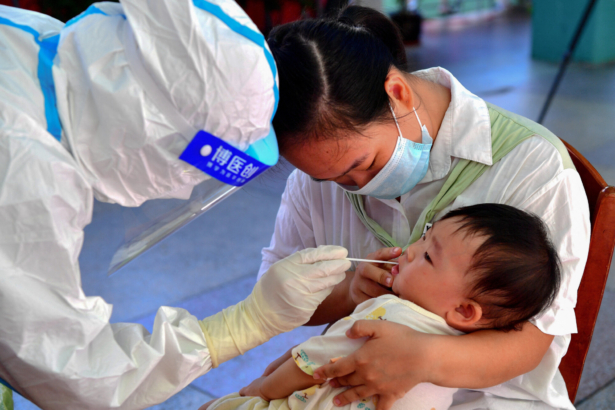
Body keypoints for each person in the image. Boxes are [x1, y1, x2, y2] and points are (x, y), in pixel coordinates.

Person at [0, 1, 352, 409]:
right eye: (191, 169)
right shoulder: (25, 177)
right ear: (146, 121)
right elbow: (71, 372)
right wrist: (246, 323)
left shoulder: (38, 46)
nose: (184, 191)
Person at [259, 5, 590, 410]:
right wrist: (349, 293)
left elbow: (529, 343)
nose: (357, 188)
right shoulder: (319, 176)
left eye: (362, 165)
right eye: (331, 179)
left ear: (397, 92)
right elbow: (277, 298)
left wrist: (418, 358)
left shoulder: (533, 166)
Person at [199, 203, 562, 410]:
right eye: (424, 236)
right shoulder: (457, 356)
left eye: (429, 258)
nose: (412, 249)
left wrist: (260, 390)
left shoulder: (389, 315)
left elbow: (308, 365)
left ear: (465, 311)